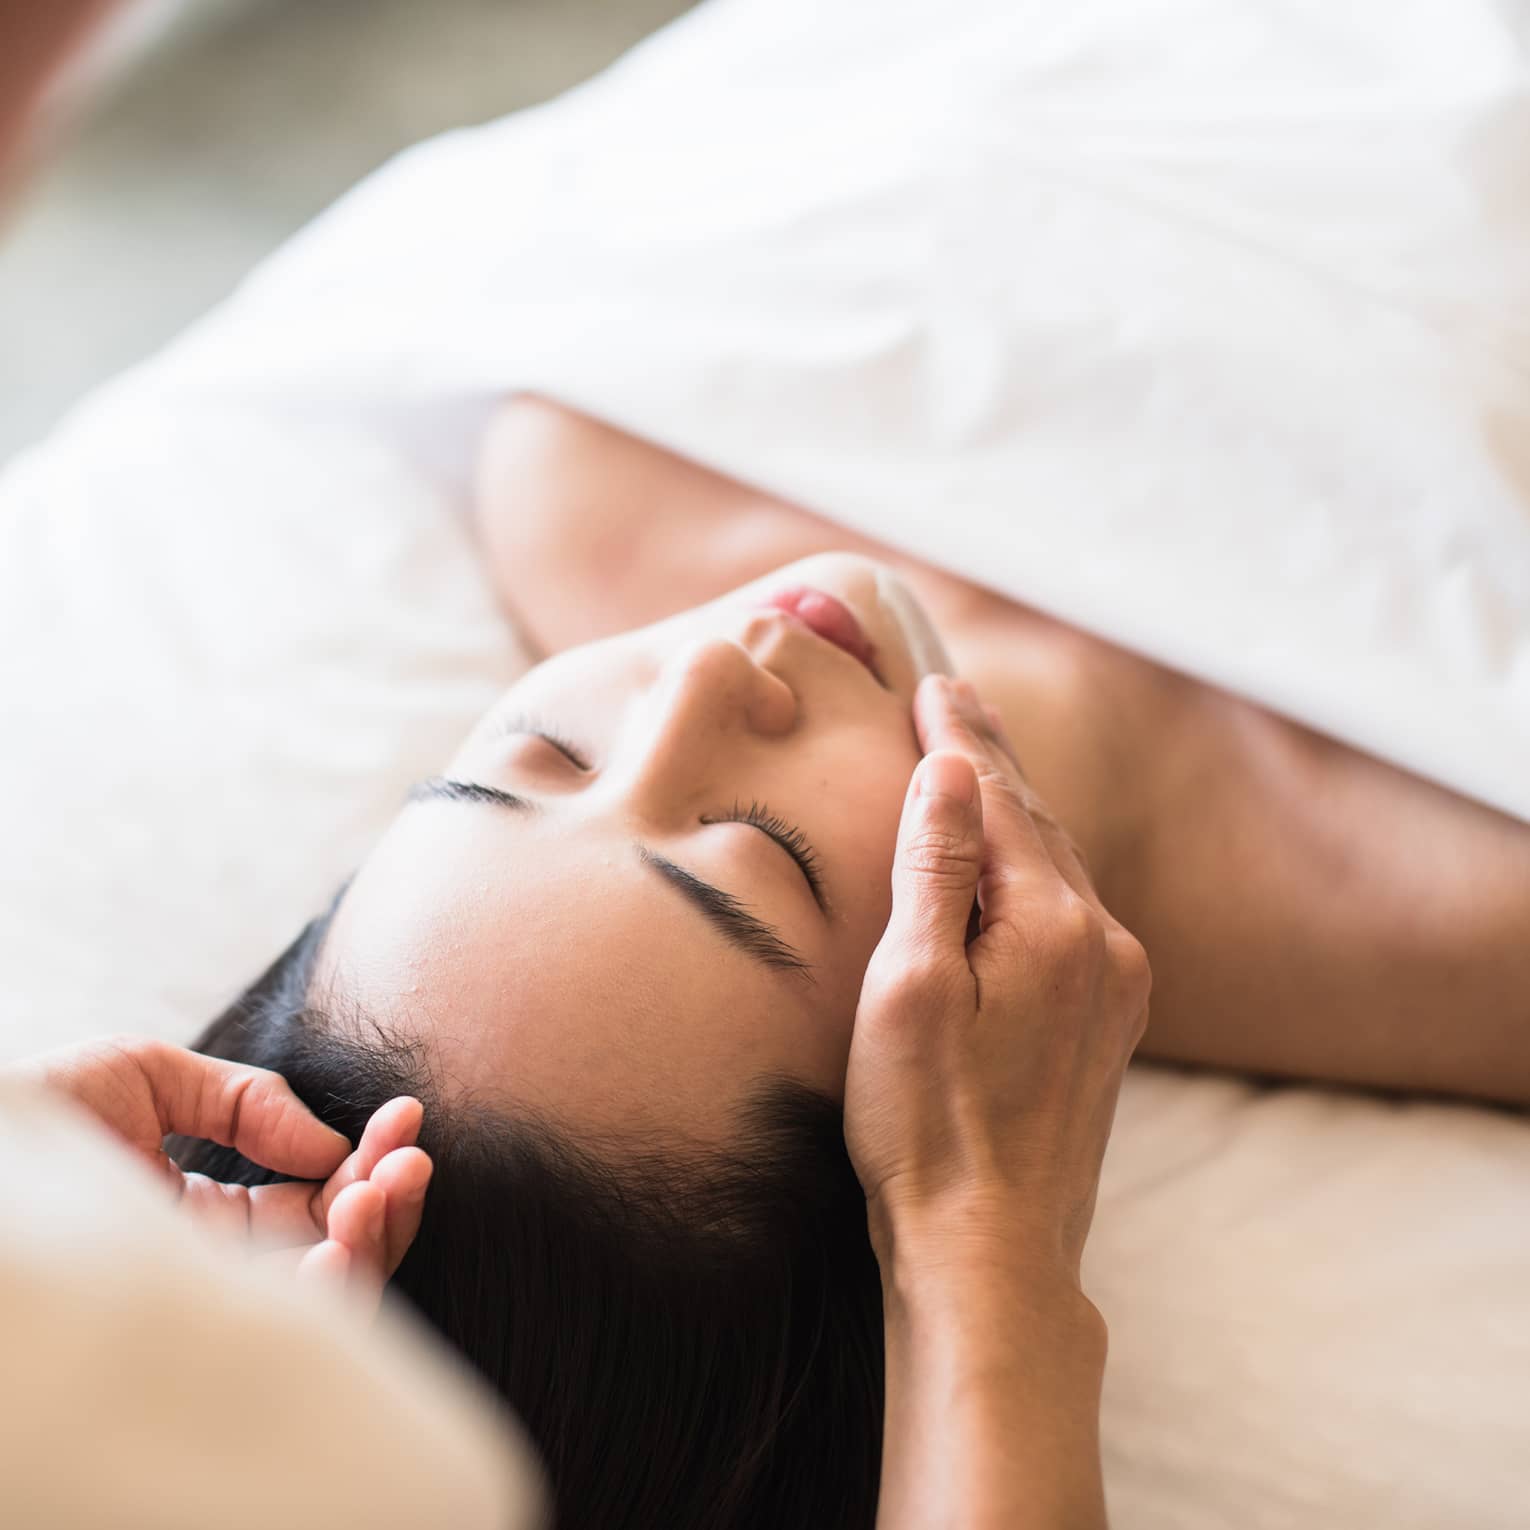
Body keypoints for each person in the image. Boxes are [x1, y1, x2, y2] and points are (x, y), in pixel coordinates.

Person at [12, 665, 1148, 1530]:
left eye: (548, 754)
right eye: (765, 849)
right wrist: (979, 1228)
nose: (704, 673)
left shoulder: (565, 496)